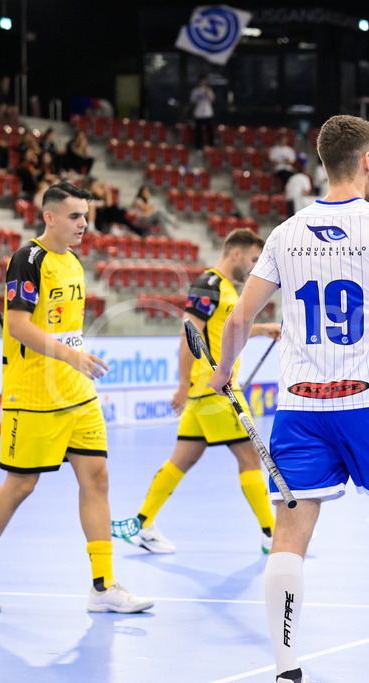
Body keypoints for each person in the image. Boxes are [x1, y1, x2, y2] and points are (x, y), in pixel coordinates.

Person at [208, 114, 369, 683]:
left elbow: (239, 316)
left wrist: (224, 371)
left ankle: (285, 669)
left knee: (290, 533)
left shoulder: (284, 232)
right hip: (368, 404)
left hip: (299, 409)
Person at [0, 181, 153, 614]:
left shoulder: (75, 262)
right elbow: (18, 326)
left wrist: (74, 359)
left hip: (77, 394)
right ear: (49, 217)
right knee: (21, 484)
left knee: (96, 478)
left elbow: (64, 328)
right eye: (75, 216)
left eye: (86, 215)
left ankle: (103, 586)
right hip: (34, 395)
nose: (84, 223)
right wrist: (70, 355)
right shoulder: (28, 260)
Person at [126, 229, 281, 555]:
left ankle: (142, 526)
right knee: (250, 457)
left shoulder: (224, 289)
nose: (255, 266)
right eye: (253, 259)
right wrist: (182, 383)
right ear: (235, 253)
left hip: (205, 394)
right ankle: (273, 534)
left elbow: (225, 331)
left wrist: (264, 329)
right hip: (216, 390)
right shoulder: (208, 285)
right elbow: (188, 333)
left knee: (182, 459)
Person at [190, 75, 215, 149]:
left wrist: (207, 93)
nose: (202, 82)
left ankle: (211, 145)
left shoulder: (208, 90)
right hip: (199, 114)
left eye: (204, 80)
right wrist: (195, 103)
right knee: (198, 132)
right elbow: (192, 101)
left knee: (209, 130)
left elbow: (212, 101)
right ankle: (198, 146)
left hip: (207, 113)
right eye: (201, 80)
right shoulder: (195, 91)